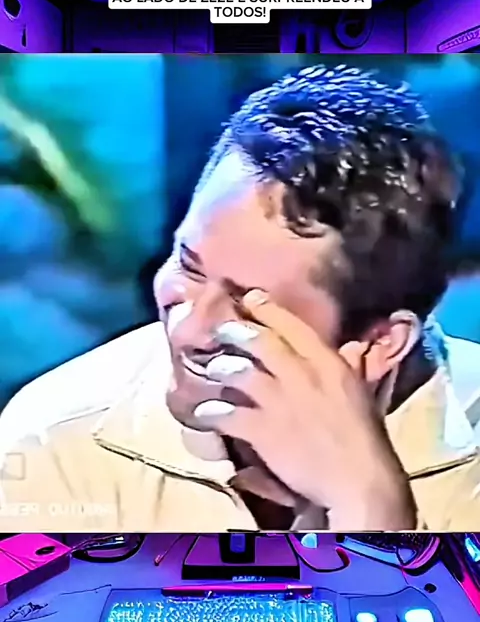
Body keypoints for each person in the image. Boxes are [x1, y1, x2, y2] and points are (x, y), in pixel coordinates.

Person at [0, 63, 479, 533]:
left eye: (249, 306)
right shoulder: (55, 440)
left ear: (379, 344)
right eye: (189, 265)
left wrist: (371, 511)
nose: (187, 329)